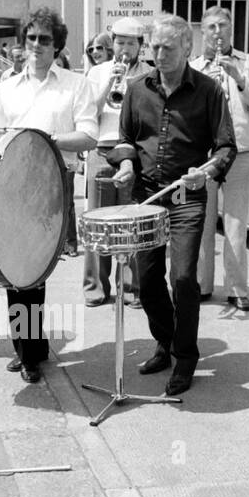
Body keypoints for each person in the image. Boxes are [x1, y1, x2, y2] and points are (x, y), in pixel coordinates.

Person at [110, 14, 236, 397]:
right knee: (146, 281)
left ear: (187, 48)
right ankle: (165, 342)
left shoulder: (210, 91)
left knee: (182, 279)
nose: (159, 55)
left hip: (186, 196)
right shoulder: (136, 89)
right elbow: (126, 139)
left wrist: (208, 171)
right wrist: (127, 164)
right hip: (146, 195)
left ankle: (185, 356)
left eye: (167, 48)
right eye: (154, 48)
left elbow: (227, 146)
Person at [0, 6, 97, 384]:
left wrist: (43, 139)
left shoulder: (75, 84)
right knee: (14, 268)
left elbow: (88, 135)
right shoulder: (5, 88)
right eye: (31, 38)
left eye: (45, 39)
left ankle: (31, 350)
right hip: (12, 184)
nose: (36, 45)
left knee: (36, 268)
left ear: (58, 45)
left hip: (53, 181)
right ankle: (28, 349)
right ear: (23, 42)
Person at [190, 5, 249, 311]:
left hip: (240, 149)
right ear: (203, 32)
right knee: (203, 223)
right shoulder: (194, 66)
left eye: (222, 26)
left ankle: (236, 288)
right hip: (204, 153)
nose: (217, 32)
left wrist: (238, 78)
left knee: (235, 223)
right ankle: (202, 285)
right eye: (211, 27)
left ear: (231, 28)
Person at [82, 16, 151, 308]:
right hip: (101, 149)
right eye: (119, 42)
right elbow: (88, 113)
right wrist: (111, 81)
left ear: (140, 46)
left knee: (131, 224)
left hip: (133, 154)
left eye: (130, 43)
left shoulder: (149, 74)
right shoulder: (97, 72)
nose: (124, 48)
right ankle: (95, 287)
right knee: (98, 223)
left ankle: (133, 288)